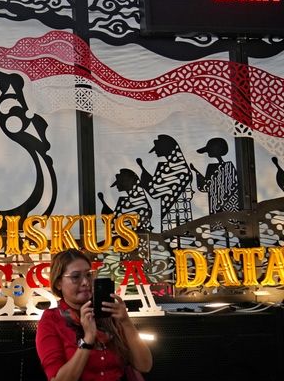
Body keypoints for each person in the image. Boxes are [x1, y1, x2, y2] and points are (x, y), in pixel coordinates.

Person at [36, 249, 152, 381]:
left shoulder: (108, 311)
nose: (85, 282)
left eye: (89, 275)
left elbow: (145, 365)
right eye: (75, 277)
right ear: (58, 283)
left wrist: (126, 322)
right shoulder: (52, 320)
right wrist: (88, 339)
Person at [136, 134, 193, 232]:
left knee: (180, 240)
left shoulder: (174, 167)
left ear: (166, 148)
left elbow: (155, 191)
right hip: (171, 215)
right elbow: (157, 187)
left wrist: (144, 179)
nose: (155, 152)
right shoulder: (173, 165)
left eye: (157, 149)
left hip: (176, 215)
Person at [191, 138, 240, 216]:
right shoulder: (229, 166)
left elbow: (205, 186)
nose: (207, 153)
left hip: (219, 206)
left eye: (209, 150)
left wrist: (196, 172)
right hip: (229, 206)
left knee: (220, 223)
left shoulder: (213, 167)